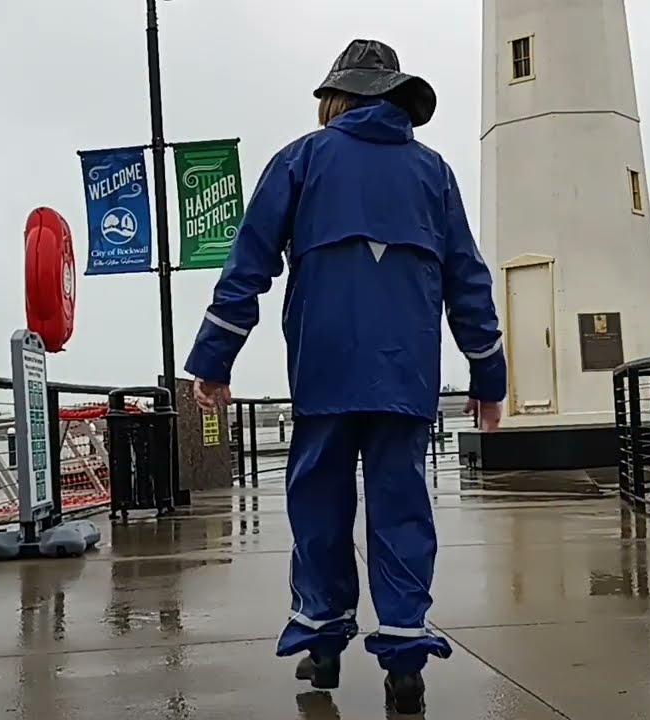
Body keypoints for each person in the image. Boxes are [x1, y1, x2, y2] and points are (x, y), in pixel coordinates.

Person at [183, 38, 506, 714]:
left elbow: (250, 264)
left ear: (338, 96)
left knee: (320, 505)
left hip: (324, 369)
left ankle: (324, 641)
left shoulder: (302, 158)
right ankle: (405, 654)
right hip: (407, 375)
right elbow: (467, 280)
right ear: (394, 96)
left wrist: (215, 358)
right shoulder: (435, 173)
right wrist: (488, 372)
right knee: (402, 508)